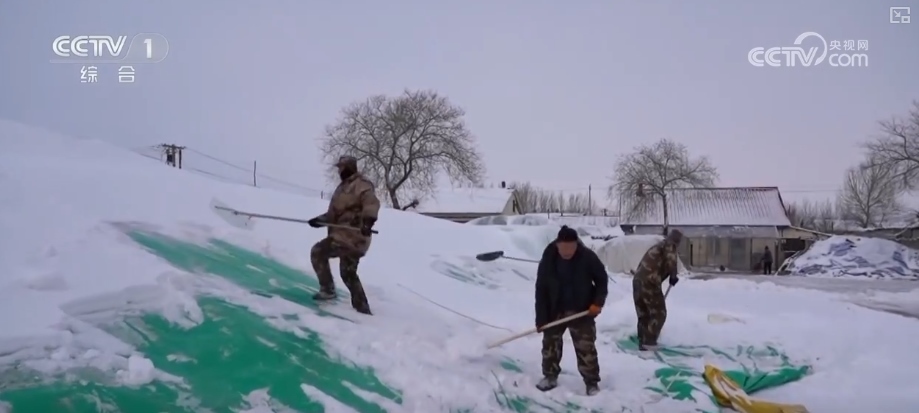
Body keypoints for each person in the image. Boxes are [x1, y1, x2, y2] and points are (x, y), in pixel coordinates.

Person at [534, 226, 609, 396]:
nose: (567, 252)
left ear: (577, 244)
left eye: (571, 248)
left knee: (586, 347)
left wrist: (597, 302)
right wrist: (541, 319)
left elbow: (602, 280)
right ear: (557, 245)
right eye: (564, 248)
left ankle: (591, 382)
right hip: (555, 309)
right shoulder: (549, 258)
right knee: (550, 343)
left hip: (581, 309)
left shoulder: (587, 257)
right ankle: (550, 376)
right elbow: (541, 289)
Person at [306, 156, 380, 315]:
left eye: (341, 167)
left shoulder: (361, 185)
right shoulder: (342, 188)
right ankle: (362, 309)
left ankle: (328, 290)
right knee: (347, 273)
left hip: (353, 237)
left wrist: (368, 222)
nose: (339, 170)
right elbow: (336, 213)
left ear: (349, 167)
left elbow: (371, 203)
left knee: (318, 252)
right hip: (343, 235)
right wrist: (321, 220)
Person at [632, 229, 682, 351]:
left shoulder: (658, 246)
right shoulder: (669, 245)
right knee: (659, 314)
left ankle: (642, 340)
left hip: (637, 281)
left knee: (644, 314)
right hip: (650, 282)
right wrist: (673, 275)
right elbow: (671, 258)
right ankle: (649, 343)